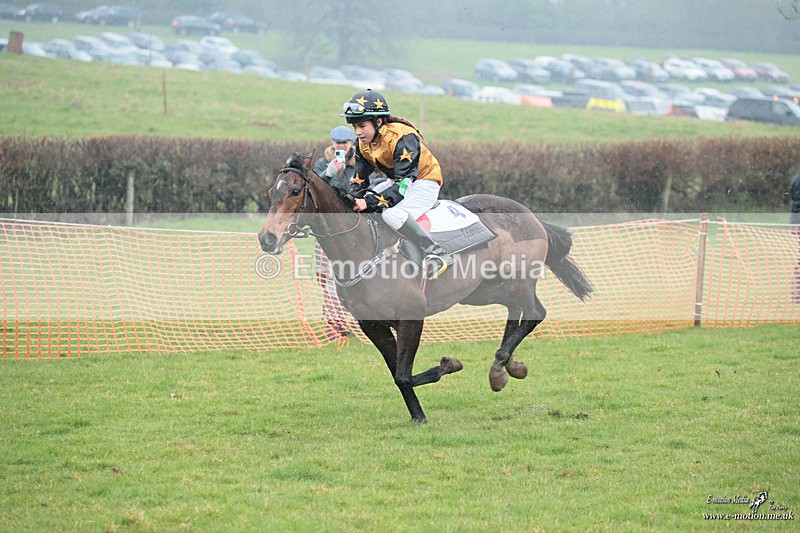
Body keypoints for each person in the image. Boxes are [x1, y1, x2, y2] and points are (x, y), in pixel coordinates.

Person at [340, 88, 453, 278]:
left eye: (362, 126)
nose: (358, 132)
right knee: (368, 200)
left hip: (425, 182)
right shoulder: (362, 144)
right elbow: (359, 181)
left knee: (392, 214)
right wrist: (348, 199)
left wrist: (368, 202)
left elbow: (401, 188)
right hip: (396, 181)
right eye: (355, 127)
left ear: (378, 122)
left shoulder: (404, 137)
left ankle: (438, 253)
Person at [313, 125, 357, 190]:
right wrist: (327, 173)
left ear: (351, 143)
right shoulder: (321, 163)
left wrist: (356, 184)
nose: (341, 146)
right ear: (333, 143)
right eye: (338, 142)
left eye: (344, 142)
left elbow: (369, 184)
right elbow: (314, 186)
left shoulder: (359, 162)